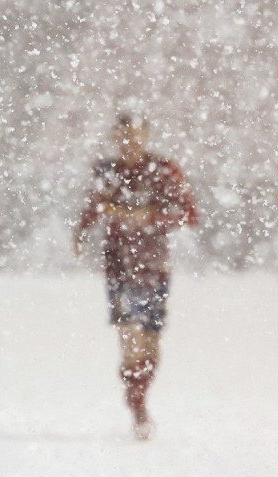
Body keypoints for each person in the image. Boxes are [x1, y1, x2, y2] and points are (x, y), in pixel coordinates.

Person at [73, 113, 199, 440]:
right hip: (118, 267)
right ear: (115, 137)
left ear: (146, 137)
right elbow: (92, 207)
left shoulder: (163, 171)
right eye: (123, 136)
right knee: (129, 337)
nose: (129, 143)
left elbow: (189, 213)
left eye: (136, 136)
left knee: (149, 343)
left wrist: (150, 217)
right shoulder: (107, 172)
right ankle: (139, 409)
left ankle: (139, 390)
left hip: (154, 268)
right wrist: (83, 230)